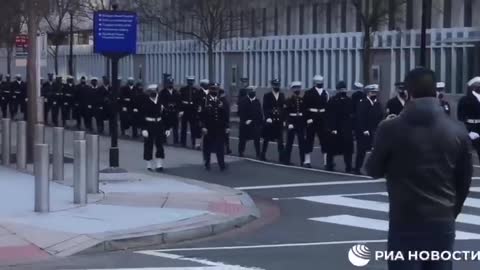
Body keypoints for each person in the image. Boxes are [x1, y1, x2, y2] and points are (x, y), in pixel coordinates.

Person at [366, 67, 472, 270]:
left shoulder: (390, 128)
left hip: (405, 217)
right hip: (442, 217)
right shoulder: (457, 129)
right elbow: (464, 180)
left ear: (408, 93)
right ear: (436, 92)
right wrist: (451, 211)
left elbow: (373, 170)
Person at [354, 84, 383, 175]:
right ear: (368, 93)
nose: (374, 94)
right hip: (364, 130)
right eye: (372, 92)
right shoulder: (363, 102)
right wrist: (364, 129)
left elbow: (380, 115)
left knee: (375, 149)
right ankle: (357, 168)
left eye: (375, 92)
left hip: (374, 129)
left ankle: (374, 168)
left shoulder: (377, 102)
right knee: (361, 150)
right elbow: (360, 117)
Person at [325, 81, 354, 172]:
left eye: (344, 89)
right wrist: (332, 128)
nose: (343, 90)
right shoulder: (333, 100)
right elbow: (330, 115)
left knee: (348, 149)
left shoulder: (349, 100)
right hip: (336, 127)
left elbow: (352, 115)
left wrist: (351, 128)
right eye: (341, 89)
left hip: (346, 127)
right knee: (332, 147)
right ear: (338, 90)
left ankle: (348, 166)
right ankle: (329, 164)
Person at [200, 82, 230, 171]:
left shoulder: (221, 100)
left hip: (219, 127)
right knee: (207, 147)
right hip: (209, 127)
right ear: (209, 89)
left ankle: (222, 164)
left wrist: (227, 126)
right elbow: (202, 115)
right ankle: (207, 162)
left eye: (216, 89)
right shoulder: (205, 100)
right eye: (213, 89)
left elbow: (225, 115)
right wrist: (203, 126)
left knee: (220, 147)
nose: (214, 91)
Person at [140, 84, 169, 172]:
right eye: (151, 92)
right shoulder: (145, 101)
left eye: (154, 91)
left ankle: (159, 165)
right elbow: (141, 116)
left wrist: (167, 128)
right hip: (149, 124)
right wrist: (144, 128)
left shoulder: (161, 101)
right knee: (148, 145)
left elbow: (165, 115)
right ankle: (149, 165)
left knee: (159, 144)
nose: (153, 93)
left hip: (159, 124)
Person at [303, 75, 329, 168]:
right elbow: (305, 107)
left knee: (324, 139)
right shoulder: (309, 93)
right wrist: (308, 118)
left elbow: (327, 107)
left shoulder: (325, 93)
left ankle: (326, 161)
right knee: (309, 138)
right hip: (312, 117)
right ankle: (307, 160)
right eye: (318, 83)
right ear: (314, 83)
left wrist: (327, 119)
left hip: (322, 118)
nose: (320, 84)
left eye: (321, 82)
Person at [261, 79, 286, 162]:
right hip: (270, 120)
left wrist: (284, 119)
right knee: (267, 138)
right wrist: (267, 117)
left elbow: (283, 108)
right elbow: (265, 108)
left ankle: (281, 157)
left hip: (279, 120)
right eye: (275, 85)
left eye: (278, 85)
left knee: (280, 140)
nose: (277, 87)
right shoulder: (267, 95)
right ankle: (263, 154)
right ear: (272, 86)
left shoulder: (282, 95)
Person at [458, 77, 480, 163]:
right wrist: (468, 131)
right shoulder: (465, 100)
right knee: (466, 154)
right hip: (470, 128)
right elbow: (460, 117)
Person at [284, 81, 306, 166]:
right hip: (292, 121)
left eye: (299, 88)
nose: (298, 89)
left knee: (302, 142)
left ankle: (303, 161)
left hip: (300, 122)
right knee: (289, 142)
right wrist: (288, 123)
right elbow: (286, 113)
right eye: (296, 88)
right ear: (293, 89)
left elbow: (304, 112)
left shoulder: (302, 99)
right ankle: (287, 160)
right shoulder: (289, 100)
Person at [238, 86, 263, 158]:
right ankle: (241, 152)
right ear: (248, 92)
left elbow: (259, 113)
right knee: (242, 138)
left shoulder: (257, 101)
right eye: (251, 91)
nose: (252, 93)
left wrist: (260, 123)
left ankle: (258, 153)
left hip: (255, 123)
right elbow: (240, 112)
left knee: (257, 139)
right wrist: (245, 120)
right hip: (245, 123)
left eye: (253, 92)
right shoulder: (243, 101)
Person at [179, 76, 199, 148]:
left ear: (193, 82)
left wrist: (196, 111)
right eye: (189, 81)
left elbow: (197, 101)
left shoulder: (196, 90)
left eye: (192, 81)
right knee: (183, 127)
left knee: (193, 128)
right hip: (185, 109)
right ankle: (183, 142)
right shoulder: (183, 89)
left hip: (192, 110)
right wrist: (180, 110)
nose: (190, 82)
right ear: (187, 81)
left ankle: (193, 142)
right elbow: (180, 100)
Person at [160, 77, 181, 144]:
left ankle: (176, 141)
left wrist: (178, 110)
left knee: (175, 128)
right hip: (166, 112)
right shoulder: (163, 92)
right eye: (169, 83)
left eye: (171, 83)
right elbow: (161, 101)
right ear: (166, 84)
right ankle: (164, 140)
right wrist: (164, 107)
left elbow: (179, 102)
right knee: (165, 127)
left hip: (174, 112)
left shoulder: (176, 92)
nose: (170, 85)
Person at [194, 79, 210, 150]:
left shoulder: (210, 92)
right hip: (201, 113)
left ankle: (208, 145)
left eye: (207, 84)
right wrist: (198, 112)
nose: (207, 86)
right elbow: (196, 103)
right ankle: (197, 144)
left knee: (208, 129)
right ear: (202, 85)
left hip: (209, 113)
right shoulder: (198, 93)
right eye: (205, 84)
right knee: (199, 130)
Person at [217, 84, 232, 154]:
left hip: (220, 122)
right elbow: (227, 114)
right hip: (225, 122)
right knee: (225, 137)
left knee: (221, 136)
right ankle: (227, 149)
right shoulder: (225, 101)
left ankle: (224, 149)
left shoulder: (221, 101)